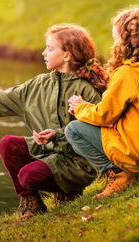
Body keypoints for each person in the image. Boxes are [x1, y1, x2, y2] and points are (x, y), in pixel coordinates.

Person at [0, 24, 107, 219]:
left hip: (77, 164)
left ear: (67, 55)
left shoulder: (86, 90)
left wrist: (55, 134)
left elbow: (95, 132)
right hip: (47, 152)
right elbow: (0, 99)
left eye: (50, 49)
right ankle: (31, 202)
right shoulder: (39, 84)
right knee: (8, 144)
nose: (43, 53)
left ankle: (69, 191)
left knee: (27, 176)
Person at [66, 7, 139, 199]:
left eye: (115, 38)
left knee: (74, 130)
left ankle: (121, 175)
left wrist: (80, 106)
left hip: (135, 151)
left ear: (125, 42)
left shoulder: (127, 73)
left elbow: (105, 115)